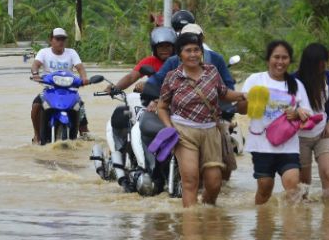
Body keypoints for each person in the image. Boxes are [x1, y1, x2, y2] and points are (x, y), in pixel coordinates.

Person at [157, 32, 246, 207]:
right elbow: (162, 107)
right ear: (180, 54)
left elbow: (224, 93)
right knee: (190, 180)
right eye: (188, 50)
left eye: (196, 50)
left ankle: (206, 213)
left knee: (214, 183)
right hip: (183, 131)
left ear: (201, 52)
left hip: (211, 130)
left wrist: (242, 95)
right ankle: (191, 227)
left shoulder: (212, 71)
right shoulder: (172, 77)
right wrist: (169, 128)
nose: (193, 55)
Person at [237, 40, 312, 205]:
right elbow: (241, 110)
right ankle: (263, 224)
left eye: (284, 58)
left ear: (289, 60)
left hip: (288, 145)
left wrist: (298, 113)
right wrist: (248, 100)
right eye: (276, 57)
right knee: (265, 189)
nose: (280, 61)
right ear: (268, 59)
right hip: (261, 145)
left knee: (293, 187)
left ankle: (292, 229)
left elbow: (308, 113)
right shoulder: (255, 79)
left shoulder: (297, 85)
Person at [30, 27, 92, 144]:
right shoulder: (43, 52)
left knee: (80, 106)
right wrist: (35, 74)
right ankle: (37, 135)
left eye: (63, 39)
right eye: (57, 39)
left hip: (70, 90)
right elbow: (35, 65)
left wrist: (84, 78)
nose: (60, 42)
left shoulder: (72, 52)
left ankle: (84, 134)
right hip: (50, 89)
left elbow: (80, 68)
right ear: (51, 40)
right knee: (36, 106)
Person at [294, 43, 329, 198]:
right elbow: (286, 107)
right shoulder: (294, 79)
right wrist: (296, 111)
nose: (323, 66)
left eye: (324, 62)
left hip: (323, 132)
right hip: (300, 136)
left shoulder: (327, 76)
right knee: (304, 182)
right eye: (320, 63)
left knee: (328, 172)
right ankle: (304, 217)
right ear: (309, 63)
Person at [108, 26, 176, 92]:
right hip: (156, 98)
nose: (164, 49)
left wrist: (148, 85)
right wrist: (116, 88)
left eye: (168, 46)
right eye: (160, 46)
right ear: (155, 48)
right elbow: (131, 77)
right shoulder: (150, 61)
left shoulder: (179, 61)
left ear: (174, 47)